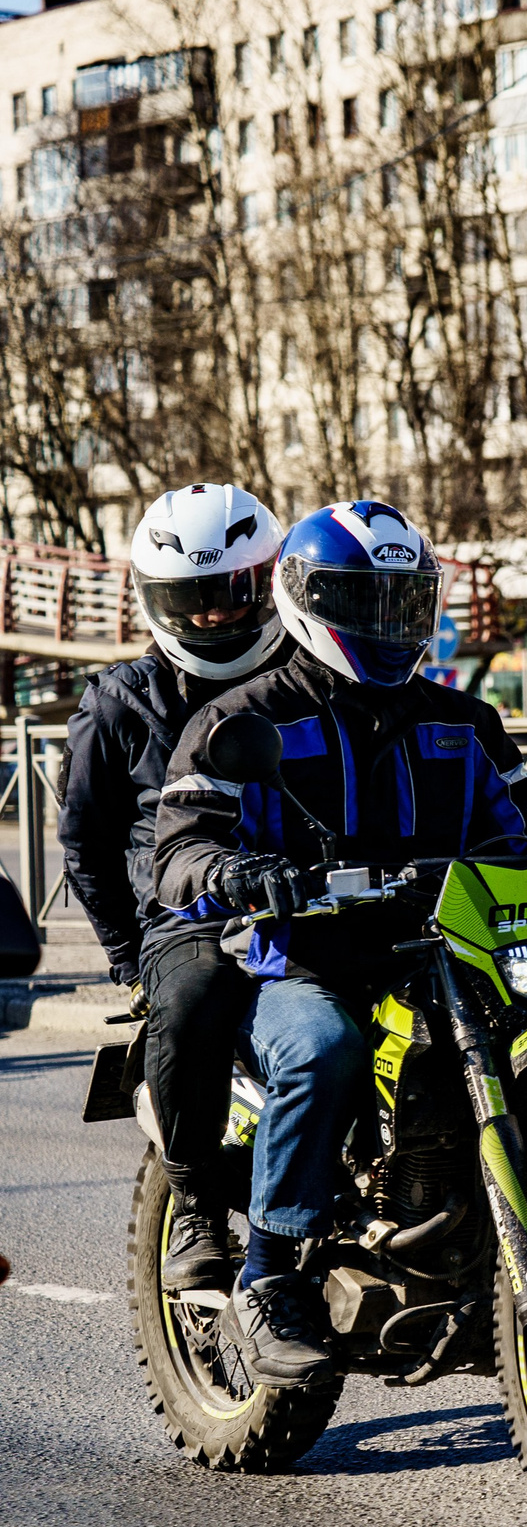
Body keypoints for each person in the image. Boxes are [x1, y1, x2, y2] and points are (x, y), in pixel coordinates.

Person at [154, 500, 527, 1384]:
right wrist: (239, 873)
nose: (384, 622)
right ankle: (268, 1273)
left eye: (402, 602)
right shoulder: (245, 720)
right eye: (363, 601)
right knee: (325, 1048)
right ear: (306, 599)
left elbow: (522, 831)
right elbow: (179, 847)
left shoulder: (463, 722)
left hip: (444, 949)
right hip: (305, 960)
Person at [60, 485, 293, 1293]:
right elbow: (83, 841)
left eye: (234, 592)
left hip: (301, 892)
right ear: (155, 599)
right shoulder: (119, 700)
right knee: (195, 995)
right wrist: (129, 960)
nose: (214, 617)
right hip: (187, 913)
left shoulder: (302, 677)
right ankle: (194, 1200)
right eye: (190, 600)